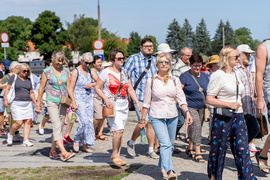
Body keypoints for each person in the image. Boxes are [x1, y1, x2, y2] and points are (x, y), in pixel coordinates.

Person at [207, 46, 256, 180]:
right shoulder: (218, 75)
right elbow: (209, 99)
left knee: (243, 151)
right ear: (226, 58)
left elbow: (238, 93)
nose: (238, 59)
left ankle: (248, 178)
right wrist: (228, 104)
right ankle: (215, 177)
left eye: (238, 56)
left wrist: (243, 106)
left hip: (238, 116)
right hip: (223, 117)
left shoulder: (237, 73)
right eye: (236, 57)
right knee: (218, 151)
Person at [142, 52, 192, 179]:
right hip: (156, 116)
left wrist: (187, 113)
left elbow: (181, 99)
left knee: (170, 145)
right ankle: (170, 171)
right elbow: (146, 103)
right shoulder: (151, 81)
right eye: (161, 62)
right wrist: (143, 119)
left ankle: (163, 167)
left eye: (166, 62)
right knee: (164, 144)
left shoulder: (175, 80)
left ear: (170, 64)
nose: (164, 64)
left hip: (172, 116)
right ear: (157, 64)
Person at [95, 49, 141, 166]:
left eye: (123, 58)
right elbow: (97, 88)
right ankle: (114, 155)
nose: (122, 60)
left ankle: (118, 155)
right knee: (118, 130)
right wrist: (106, 99)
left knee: (120, 131)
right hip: (112, 105)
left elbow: (130, 89)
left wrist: (137, 103)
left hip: (124, 105)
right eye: (119, 58)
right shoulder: (106, 72)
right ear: (112, 60)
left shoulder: (124, 72)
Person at [35, 50, 77, 161]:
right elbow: (41, 89)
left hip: (63, 102)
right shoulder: (47, 71)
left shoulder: (66, 71)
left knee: (60, 126)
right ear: (52, 59)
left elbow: (69, 87)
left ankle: (53, 151)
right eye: (58, 62)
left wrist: (74, 102)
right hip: (51, 101)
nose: (59, 64)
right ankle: (63, 152)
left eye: (61, 62)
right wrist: (38, 104)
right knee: (56, 125)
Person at [124, 38, 159, 158]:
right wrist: (129, 92)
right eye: (146, 46)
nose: (149, 48)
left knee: (151, 124)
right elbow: (125, 75)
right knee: (144, 121)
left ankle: (150, 149)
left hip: (153, 98)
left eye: (151, 46)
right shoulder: (133, 59)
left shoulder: (155, 61)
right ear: (141, 47)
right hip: (139, 96)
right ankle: (131, 141)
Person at [180, 54, 209, 163]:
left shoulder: (205, 76)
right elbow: (179, 92)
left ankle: (189, 148)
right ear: (190, 65)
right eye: (195, 66)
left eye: (199, 66)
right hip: (190, 106)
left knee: (197, 128)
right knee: (196, 126)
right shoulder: (184, 76)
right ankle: (198, 153)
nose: (197, 68)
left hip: (202, 106)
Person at [234, 44, 259, 157]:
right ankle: (240, 151)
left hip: (250, 106)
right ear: (239, 55)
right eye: (247, 54)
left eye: (249, 54)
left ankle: (240, 148)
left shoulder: (248, 68)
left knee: (254, 129)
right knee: (243, 132)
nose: (249, 56)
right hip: (241, 107)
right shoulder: (236, 69)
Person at [5, 63, 36, 147]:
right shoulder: (14, 77)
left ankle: (26, 140)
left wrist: (36, 103)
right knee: (19, 122)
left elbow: (31, 93)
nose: (26, 72)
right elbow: (7, 89)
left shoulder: (29, 79)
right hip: (16, 103)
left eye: (27, 71)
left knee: (28, 122)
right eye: (24, 71)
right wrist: (5, 100)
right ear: (20, 70)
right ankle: (11, 134)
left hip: (27, 103)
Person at [70, 52, 96, 153]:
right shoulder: (76, 71)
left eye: (90, 63)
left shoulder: (90, 71)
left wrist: (92, 84)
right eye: (86, 63)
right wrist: (73, 102)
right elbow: (71, 88)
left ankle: (86, 144)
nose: (88, 65)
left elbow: (100, 81)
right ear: (81, 61)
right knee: (83, 122)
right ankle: (76, 140)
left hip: (88, 99)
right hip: (78, 98)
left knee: (89, 122)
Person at [255, 38, 270, 174]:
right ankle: (263, 155)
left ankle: (262, 153)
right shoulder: (263, 48)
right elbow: (259, 75)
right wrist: (260, 99)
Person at [172, 47, 192, 142]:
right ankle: (170, 135)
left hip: (189, 97)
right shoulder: (177, 66)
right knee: (180, 121)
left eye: (190, 56)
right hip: (180, 97)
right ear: (181, 55)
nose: (189, 57)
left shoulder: (188, 65)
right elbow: (176, 84)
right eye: (187, 56)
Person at [0, 61, 20, 134]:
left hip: (18, 98)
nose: (19, 69)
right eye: (17, 68)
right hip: (9, 98)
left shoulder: (19, 76)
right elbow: (0, 85)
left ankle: (13, 131)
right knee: (11, 115)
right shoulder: (7, 76)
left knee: (16, 116)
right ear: (12, 69)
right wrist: (7, 85)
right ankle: (12, 134)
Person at [92, 56, 108, 141]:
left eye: (100, 62)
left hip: (103, 96)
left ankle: (100, 133)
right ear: (93, 63)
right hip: (95, 96)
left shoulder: (102, 71)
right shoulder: (92, 71)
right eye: (98, 62)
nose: (100, 64)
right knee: (98, 116)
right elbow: (100, 81)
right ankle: (93, 131)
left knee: (103, 116)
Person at [0, 59, 10, 134]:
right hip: (0, 94)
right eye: (5, 67)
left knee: (9, 111)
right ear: (2, 64)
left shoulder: (8, 72)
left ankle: (10, 127)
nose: (6, 68)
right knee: (1, 112)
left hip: (7, 94)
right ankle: (2, 127)